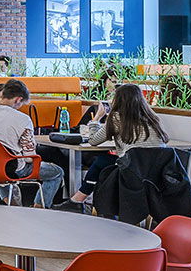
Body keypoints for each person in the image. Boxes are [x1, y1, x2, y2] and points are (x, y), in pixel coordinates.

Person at [56, 83, 167, 212]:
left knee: (102, 161)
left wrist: (96, 118)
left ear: (118, 100)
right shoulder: (154, 118)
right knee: (107, 160)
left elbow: (93, 140)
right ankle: (79, 200)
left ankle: (78, 200)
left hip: (132, 171)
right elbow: (164, 139)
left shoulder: (117, 118)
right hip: (156, 173)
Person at [0, 79, 62, 207]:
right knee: (57, 172)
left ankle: (13, 204)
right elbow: (30, 157)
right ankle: (38, 209)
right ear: (18, 99)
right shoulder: (22, 119)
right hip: (10, 169)